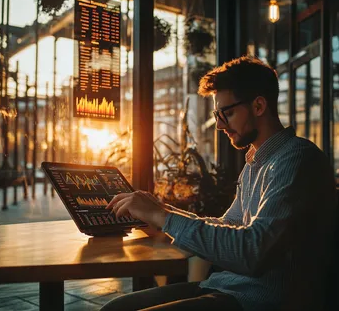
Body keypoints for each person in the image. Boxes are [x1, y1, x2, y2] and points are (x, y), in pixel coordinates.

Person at [101, 56, 337, 311]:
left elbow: (252, 253)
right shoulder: (254, 164)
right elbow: (230, 226)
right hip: (229, 286)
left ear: (258, 106)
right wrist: (164, 213)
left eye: (228, 113)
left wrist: (164, 217)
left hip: (261, 300)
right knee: (115, 308)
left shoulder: (297, 158)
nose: (220, 125)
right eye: (217, 114)